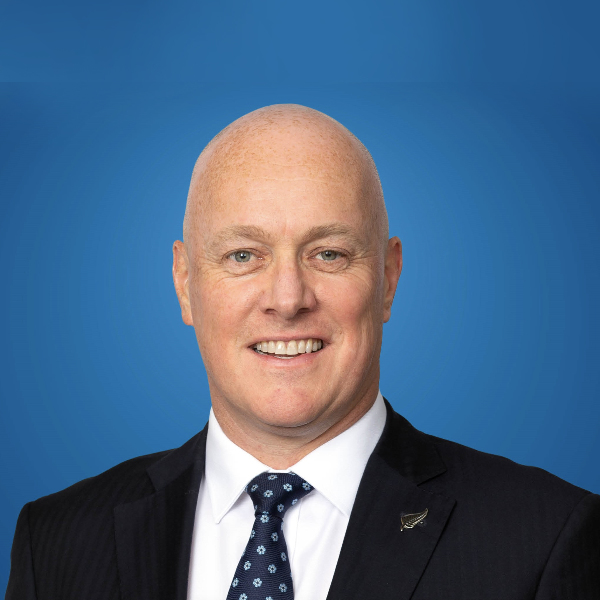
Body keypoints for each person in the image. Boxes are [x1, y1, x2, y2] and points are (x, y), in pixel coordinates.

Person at [6, 104, 600, 600]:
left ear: (388, 279)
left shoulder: (543, 538)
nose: (287, 299)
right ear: (185, 283)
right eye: (244, 255)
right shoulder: (56, 541)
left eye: (329, 254)